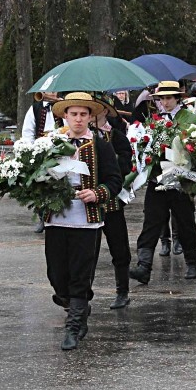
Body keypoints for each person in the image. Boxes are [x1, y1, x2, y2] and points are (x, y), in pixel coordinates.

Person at [45, 93, 122, 350]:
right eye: (73, 114)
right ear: (64, 116)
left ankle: (74, 325)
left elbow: (114, 180)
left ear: (90, 117)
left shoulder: (100, 145)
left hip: (86, 220)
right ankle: (76, 306)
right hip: (56, 217)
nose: (78, 119)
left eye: (83, 114)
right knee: (57, 275)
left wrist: (96, 193)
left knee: (80, 272)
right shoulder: (50, 142)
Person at [129, 81, 196, 284]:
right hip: (157, 178)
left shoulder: (190, 117)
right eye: (162, 98)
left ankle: (191, 262)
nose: (165, 102)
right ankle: (144, 266)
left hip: (180, 179)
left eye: (169, 98)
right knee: (151, 221)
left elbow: (193, 146)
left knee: (185, 221)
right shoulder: (155, 120)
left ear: (178, 98)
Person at [89, 93, 133, 309]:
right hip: (88, 203)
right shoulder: (82, 139)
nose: (92, 113)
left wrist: (110, 158)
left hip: (112, 201)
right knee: (88, 249)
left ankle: (122, 290)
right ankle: (82, 292)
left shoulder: (116, 136)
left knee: (119, 246)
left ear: (105, 111)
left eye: (97, 109)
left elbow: (126, 164)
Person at [22, 91, 62, 233]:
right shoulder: (35, 108)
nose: (51, 92)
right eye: (48, 90)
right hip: (40, 152)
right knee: (40, 186)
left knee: (59, 184)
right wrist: (31, 153)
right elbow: (27, 132)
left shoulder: (62, 106)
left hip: (60, 151)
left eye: (54, 89)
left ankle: (57, 216)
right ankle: (42, 217)